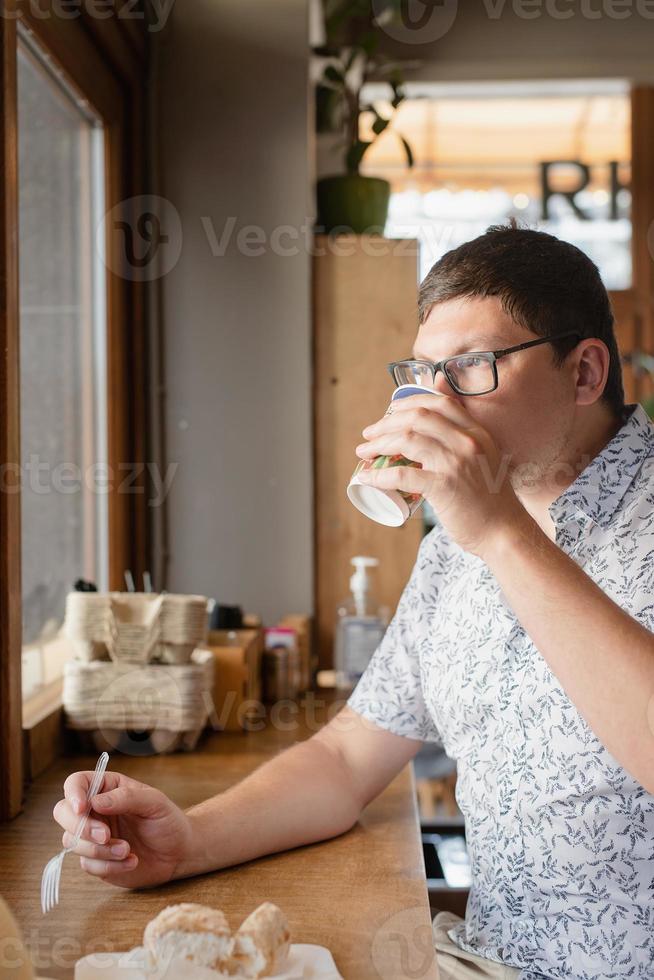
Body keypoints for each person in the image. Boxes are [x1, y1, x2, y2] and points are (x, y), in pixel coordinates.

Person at [53, 225, 654, 980]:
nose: (436, 402)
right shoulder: (457, 543)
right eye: (423, 372)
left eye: (470, 367)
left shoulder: (497, 527)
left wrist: (500, 535)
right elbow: (345, 758)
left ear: (584, 372)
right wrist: (187, 841)